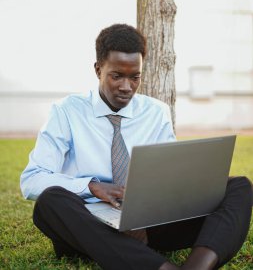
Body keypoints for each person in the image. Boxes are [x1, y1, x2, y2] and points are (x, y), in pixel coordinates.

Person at [20, 24, 252, 270]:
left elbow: (166, 179)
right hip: (90, 227)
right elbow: (32, 179)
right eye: (117, 75)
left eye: (135, 77)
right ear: (98, 70)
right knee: (49, 202)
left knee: (239, 187)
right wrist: (92, 186)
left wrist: (144, 215)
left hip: (148, 227)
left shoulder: (156, 112)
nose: (126, 87)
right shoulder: (66, 111)